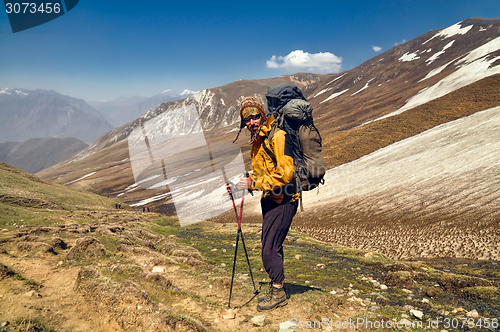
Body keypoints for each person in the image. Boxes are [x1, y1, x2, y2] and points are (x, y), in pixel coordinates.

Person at [233, 96, 299, 311]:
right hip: (271, 198)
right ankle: (277, 286)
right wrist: (243, 184)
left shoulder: (277, 136)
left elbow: (286, 173)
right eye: (247, 120)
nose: (251, 122)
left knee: (270, 248)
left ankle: (278, 291)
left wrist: (254, 182)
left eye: (254, 117)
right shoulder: (259, 140)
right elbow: (263, 173)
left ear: (262, 114)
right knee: (269, 246)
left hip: (285, 198)